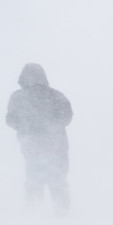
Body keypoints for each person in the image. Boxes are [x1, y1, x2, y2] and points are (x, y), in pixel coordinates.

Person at [6, 63, 73, 215]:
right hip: (57, 147)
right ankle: (62, 215)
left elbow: (10, 120)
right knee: (57, 181)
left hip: (31, 148)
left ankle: (33, 215)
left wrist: (27, 127)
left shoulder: (17, 97)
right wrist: (50, 127)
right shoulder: (56, 96)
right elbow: (67, 116)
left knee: (34, 181)